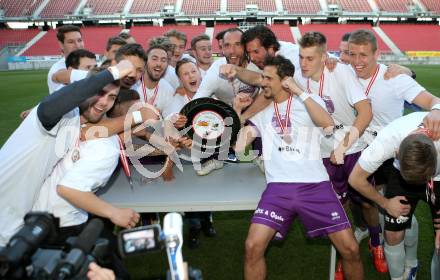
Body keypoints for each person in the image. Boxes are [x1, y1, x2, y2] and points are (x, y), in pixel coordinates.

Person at [234, 55, 362, 280]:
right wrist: (238, 113)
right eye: (262, 76)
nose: (262, 82)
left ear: (285, 81)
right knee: (252, 247)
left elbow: (328, 124)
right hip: (278, 190)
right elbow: (238, 147)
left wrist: (300, 91)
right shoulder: (262, 114)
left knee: (350, 249)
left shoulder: (308, 103)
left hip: (316, 187)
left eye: (267, 77)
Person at [0, 60, 137, 246]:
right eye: (99, 92)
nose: (104, 102)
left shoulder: (74, 119)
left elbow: (96, 129)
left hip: (19, 220)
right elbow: (59, 102)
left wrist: (141, 121)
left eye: (112, 97)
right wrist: (115, 71)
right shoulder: (55, 115)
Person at [348, 29, 440, 279]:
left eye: (364, 55)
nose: (357, 61)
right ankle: (372, 237)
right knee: (375, 204)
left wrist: (438, 109)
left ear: (377, 54)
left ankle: (410, 262)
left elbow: (433, 100)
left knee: (401, 210)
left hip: (399, 152)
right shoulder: (345, 72)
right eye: (351, 54)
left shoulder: (394, 78)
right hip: (363, 148)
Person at [348, 112, 440, 280]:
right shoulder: (388, 140)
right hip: (401, 174)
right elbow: (355, 179)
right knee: (393, 234)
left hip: (438, 180)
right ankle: (404, 272)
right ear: (396, 153)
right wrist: (385, 203)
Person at [162, 58, 216, 248]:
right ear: (180, 80)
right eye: (185, 74)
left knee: (209, 192)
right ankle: (194, 227)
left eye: (193, 71)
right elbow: (168, 127)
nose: (191, 76)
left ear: (200, 74)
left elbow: (219, 131)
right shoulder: (175, 101)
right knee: (190, 196)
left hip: (209, 157)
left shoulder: (212, 98)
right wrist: (178, 135)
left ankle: (207, 221)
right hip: (185, 159)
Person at [48, 25, 84, 93]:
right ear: (61, 44)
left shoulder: (86, 63)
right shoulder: (57, 68)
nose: (77, 45)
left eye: (79, 40)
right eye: (71, 42)